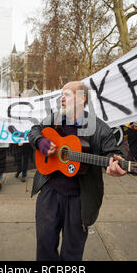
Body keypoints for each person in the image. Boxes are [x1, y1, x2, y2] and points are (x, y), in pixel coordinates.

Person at [28, 81, 126, 261]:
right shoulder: (54, 118)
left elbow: (114, 153)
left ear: (81, 99)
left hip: (79, 199)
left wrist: (116, 164)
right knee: (44, 244)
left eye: (66, 95)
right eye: (61, 95)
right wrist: (40, 141)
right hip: (50, 192)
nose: (61, 99)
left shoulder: (100, 128)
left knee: (72, 251)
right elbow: (34, 131)